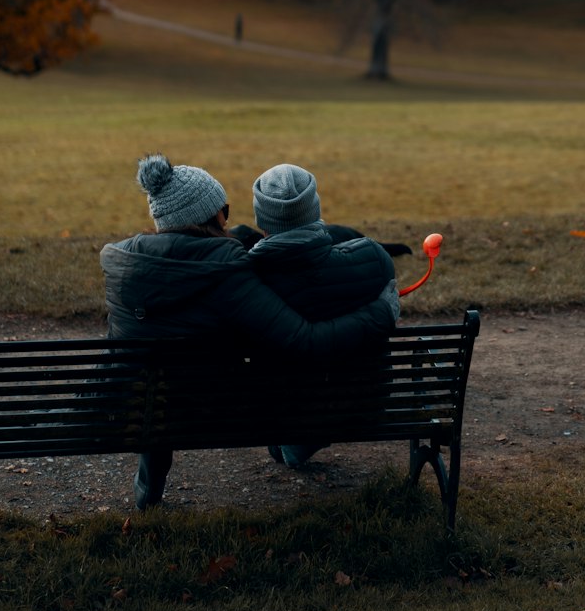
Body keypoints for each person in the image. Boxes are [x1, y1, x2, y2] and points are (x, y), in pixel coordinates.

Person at [100, 155, 399, 509]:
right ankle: (294, 443)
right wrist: (381, 312)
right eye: (224, 209)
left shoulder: (121, 263)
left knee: (157, 376)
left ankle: (147, 493)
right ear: (212, 215)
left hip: (137, 409)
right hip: (218, 412)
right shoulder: (228, 275)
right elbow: (303, 339)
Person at [235, 163, 396, 468]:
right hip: (365, 402)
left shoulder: (247, 280)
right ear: (314, 209)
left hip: (283, 409)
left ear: (261, 219)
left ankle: (300, 436)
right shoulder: (374, 258)